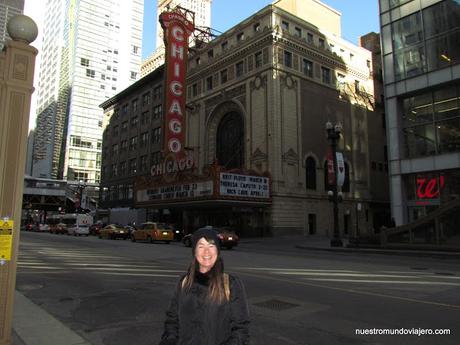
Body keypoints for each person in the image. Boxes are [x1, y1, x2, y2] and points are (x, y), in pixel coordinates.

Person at [159, 227, 250, 345]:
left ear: (217, 250)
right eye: (201, 246)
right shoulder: (184, 282)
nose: (206, 252)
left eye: (211, 246)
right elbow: (172, 321)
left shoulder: (231, 284)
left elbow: (240, 330)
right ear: (194, 252)